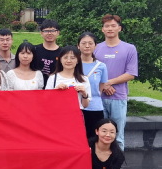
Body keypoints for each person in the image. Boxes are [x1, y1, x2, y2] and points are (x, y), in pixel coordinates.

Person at [94, 14, 138, 151]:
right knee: (99, 134)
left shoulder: (129, 48)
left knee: (117, 134)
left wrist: (108, 83)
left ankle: (117, 163)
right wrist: (103, 85)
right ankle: (100, 161)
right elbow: (90, 71)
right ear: (102, 29)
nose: (110, 28)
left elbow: (131, 73)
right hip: (98, 97)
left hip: (118, 97)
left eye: (113, 26)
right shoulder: (96, 48)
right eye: (107, 26)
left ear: (119, 28)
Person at [79, 32, 109, 139]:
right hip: (77, 107)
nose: (87, 46)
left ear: (95, 46)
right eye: (84, 43)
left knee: (93, 138)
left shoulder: (101, 66)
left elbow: (101, 86)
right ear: (78, 46)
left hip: (95, 107)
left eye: (90, 43)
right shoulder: (73, 64)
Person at [44, 46, 91, 110]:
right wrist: (56, 90)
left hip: (76, 113)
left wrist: (84, 94)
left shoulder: (84, 79)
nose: (68, 61)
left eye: (72, 58)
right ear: (60, 60)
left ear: (77, 60)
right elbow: (46, 100)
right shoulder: (53, 78)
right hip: (57, 113)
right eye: (65, 57)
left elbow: (85, 105)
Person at [33, 19, 62, 84]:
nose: (49, 33)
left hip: (56, 86)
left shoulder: (62, 53)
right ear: (41, 33)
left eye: (53, 31)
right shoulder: (34, 50)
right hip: (36, 86)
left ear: (58, 32)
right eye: (46, 31)